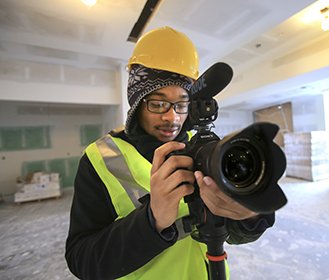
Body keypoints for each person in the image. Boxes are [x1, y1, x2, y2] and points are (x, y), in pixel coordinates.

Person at [65, 26, 275, 280]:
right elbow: (82, 260)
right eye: (158, 103)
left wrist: (249, 214)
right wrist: (151, 220)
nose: (171, 116)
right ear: (137, 102)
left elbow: (235, 234)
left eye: (181, 104)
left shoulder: (198, 148)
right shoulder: (101, 158)